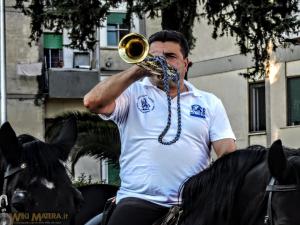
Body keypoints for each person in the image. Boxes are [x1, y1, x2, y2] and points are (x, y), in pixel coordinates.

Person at [83, 30, 236, 225]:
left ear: (186, 63)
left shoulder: (209, 102)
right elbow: (92, 102)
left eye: (170, 56)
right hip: (138, 201)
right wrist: (139, 70)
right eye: (155, 57)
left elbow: (227, 155)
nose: (162, 62)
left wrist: (209, 192)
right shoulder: (132, 93)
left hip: (192, 204)